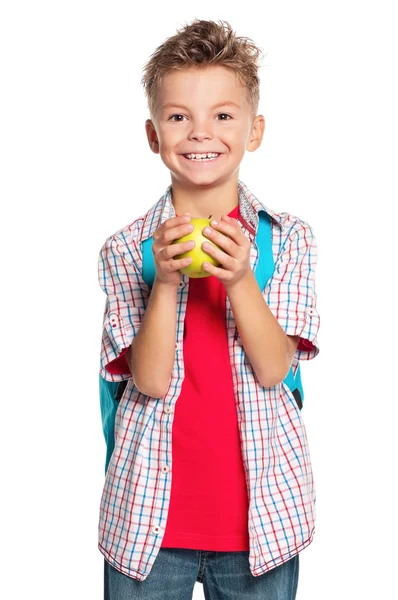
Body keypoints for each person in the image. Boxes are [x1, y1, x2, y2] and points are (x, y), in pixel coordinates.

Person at [98, 18, 321, 600]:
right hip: (148, 524)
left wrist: (242, 278)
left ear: (254, 130)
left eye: (223, 115)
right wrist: (167, 282)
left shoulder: (289, 240)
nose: (202, 132)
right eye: (179, 116)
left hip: (261, 525)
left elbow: (276, 369)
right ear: (153, 134)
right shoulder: (127, 250)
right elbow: (147, 381)